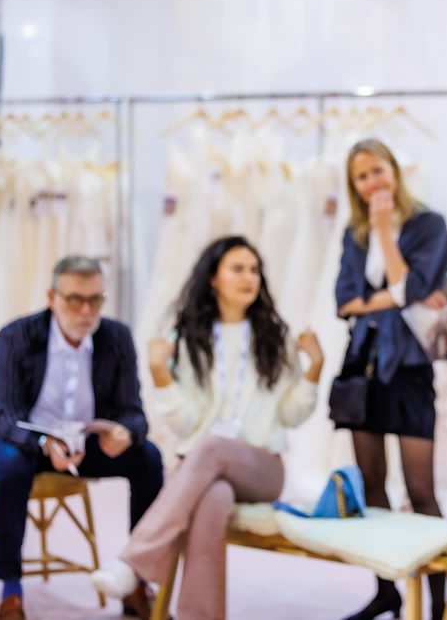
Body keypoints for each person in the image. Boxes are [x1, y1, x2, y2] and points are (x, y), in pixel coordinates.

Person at [90, 236, 324, 620]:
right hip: (204, 469)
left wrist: (313, 369)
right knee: (213, 499)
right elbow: (184, 422)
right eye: (237, 269)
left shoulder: (276, 338)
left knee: (213, 447)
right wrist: (159, 374)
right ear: (214, 278)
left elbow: (293, 415)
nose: (249, 277)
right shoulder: (188, 339)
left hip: (262, 467)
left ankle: (133, 562)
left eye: (254, 270)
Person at [0, 256, 164, 620]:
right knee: (11, 463)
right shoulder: (18, 335)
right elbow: (4, 415)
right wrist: (43, 444)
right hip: (14, 439)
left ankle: (136, 578)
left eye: (95, 299)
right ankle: (11, 591)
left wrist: (125, 431)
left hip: (81, 442)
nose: (86, 310)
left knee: (148, 457)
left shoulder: (116, 337)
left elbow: (133, 410)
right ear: (52, 297)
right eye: (75, 299)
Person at [334, 138, 447, 620]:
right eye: (361, 177)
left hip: (408, 367)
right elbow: (343, 299)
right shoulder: (353, 232)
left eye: (377, 171)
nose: (372, 183)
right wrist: (393, 296)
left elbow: (418, 288)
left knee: (420, 491)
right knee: (372, 483)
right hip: (363, 364)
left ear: (395, 171)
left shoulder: (428, 224)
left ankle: (444, 599)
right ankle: (386, 589)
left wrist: (386, 232)